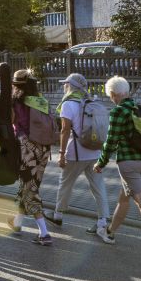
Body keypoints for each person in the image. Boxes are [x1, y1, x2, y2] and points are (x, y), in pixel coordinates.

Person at [94, 76, 141, 253]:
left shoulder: (118, 111)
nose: (111, 99)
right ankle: (110, 232)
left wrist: (101, 163)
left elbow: (111, 142)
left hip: (129, 164)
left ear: (113, 94)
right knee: (124, 197)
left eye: (110, 96)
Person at [44, 73, 111, 241]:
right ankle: (102, 222)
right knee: (98, 186)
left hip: (76, 152)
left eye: (66, 84)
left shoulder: (68, 104)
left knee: (65, 183)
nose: (64, 86)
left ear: (71, 86)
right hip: (95, 151)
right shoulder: (91, 102)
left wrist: (61, 154)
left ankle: (58, 215)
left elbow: (65, 130)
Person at [6, 70, 53, 246]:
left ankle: (44, 233)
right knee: (29, 186)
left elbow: (11, 123)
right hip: (45, 148)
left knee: (30, 190)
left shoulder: (16, 101)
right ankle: (17, 223)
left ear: (15, 85)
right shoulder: (41, 101)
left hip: (26, 149)